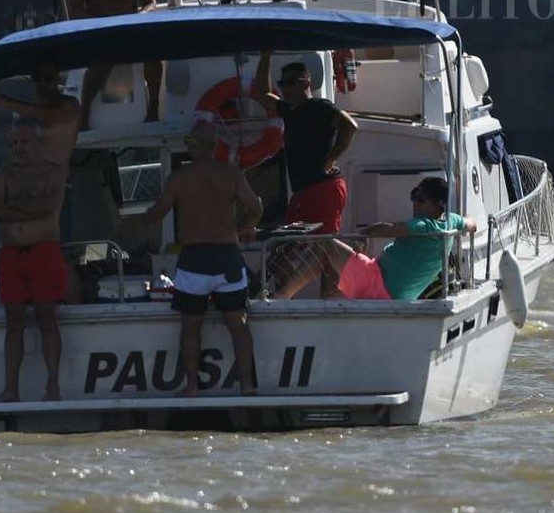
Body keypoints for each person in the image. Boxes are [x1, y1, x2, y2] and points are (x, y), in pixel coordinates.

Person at [142, 120, 263, 396]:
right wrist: (240, 229)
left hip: (194, 260)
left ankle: (192, 387)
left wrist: (143, 219)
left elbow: (158, 212)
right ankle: (246, 385)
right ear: (215, 147)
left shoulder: (179, 179)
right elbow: (255, 208)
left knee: (190, 328)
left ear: (193, 147)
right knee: (239, 325)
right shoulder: (231, 175)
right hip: (227, 258)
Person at [273, 176, 476, 302]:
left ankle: (282, 296)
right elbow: (472, 223)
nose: (415, 204)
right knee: (330, 298)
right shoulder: (452, 221)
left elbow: (390, 229)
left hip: (376, 283)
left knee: (326, 246)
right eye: (414, 196)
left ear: (439, 204)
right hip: (396, 295)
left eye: (421, 199)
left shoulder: (423, 225)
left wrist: (363, 233)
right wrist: (462, 226)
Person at [0, 121, 69, 402]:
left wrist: (14, 208)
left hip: (44, 251)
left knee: (48, 319)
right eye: (13, 144)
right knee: (14, 322)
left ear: (36, 143)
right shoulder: (4, 173)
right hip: (12, 255)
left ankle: (53, 387)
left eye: (23, 142)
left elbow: (47, 208)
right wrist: (27, 210)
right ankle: (11, 389)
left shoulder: (53, 172)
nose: (18, 149)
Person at [68, 0, 162, 128]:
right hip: (100, 29)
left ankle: (154, 108)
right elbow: (73, 8)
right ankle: (83, 117)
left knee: (155, 54)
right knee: (103, 61)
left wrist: (139, 16)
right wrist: (99, 24)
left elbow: (151, 2)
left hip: (130, 27)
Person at [258, 52, 357, 234]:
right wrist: (266, 55)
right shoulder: (288, 110)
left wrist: (331, 158)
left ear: (306, 82)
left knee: (322, 243)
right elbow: (261, 94)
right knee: (291, 241)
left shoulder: (320, 107)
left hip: (324, 187)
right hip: (302, 191)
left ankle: (349, 261)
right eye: (282, 84)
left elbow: (349, 125)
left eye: (290, 83)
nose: (285, 89)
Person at [0, 63, 81, 170]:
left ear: (57, 79)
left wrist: (1, 100)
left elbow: (48, 115)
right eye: (38, 78)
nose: (42, 83)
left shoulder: (70, 104)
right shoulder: (26, 110)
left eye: (48, 78)